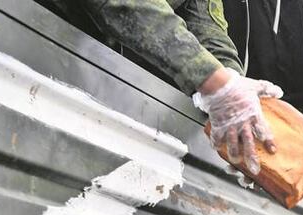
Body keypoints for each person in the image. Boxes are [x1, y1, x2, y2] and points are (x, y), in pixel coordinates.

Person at [54, 0, 283, 174]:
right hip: (42, 46)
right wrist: (212, 79)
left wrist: (232, 81)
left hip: (93, 88)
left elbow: (205, 22)